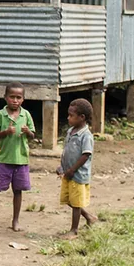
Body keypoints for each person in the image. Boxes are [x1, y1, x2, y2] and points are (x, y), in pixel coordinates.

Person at [0, 83, 35, 232]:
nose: (15, 100)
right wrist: (5, 132)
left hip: (20, 160)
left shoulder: (25, 115)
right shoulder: (0, 115)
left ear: (23, 99)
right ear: (5, 98)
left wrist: (28, 132)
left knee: (18, 191)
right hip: (2, 159)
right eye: (12, 97)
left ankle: (15, 220)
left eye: (18, 97)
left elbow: (33, 136)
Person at [57, 98, 97, 239]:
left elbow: (85, 155)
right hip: (68, 173)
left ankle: (74, 230)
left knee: (75, 203)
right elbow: (66, 151)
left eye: (71, 116)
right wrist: (61, 166)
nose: (68, 118)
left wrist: (73, 169)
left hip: (78, 175)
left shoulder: (86, 135)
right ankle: (89, 217)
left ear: (82, 117)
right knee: (69, 199)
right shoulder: (70, 131)